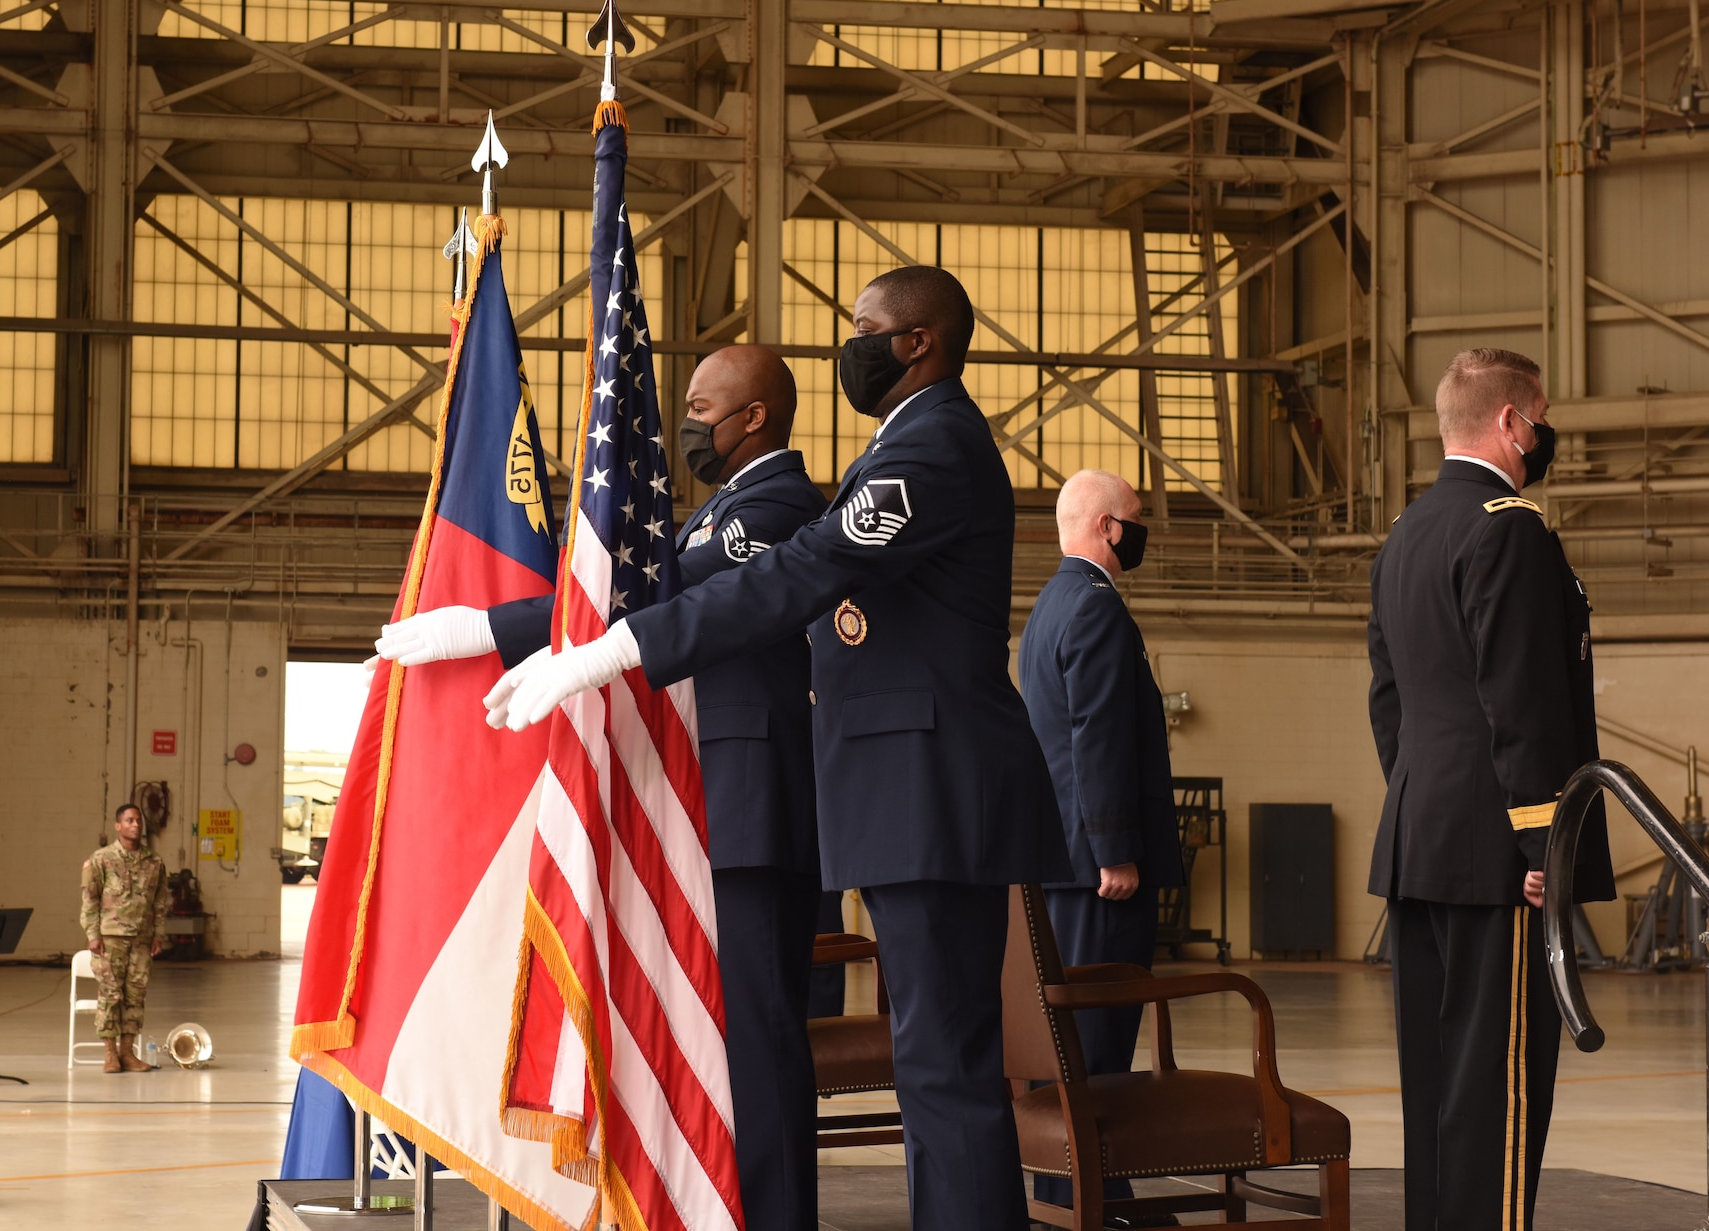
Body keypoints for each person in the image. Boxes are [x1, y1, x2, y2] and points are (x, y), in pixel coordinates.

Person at [488, 265, 1071, 1231]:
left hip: (931, 788)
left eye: (864, 325)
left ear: (917, 341)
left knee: (944, 1065)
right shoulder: (905, 445)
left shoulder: (931, 448)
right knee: (934, 1062)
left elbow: (807, 568)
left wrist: (613, 651)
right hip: (903, 792)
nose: (851, 341)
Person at [378, 345, 830, 1231]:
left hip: (752, 807)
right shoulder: (722, 506)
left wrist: (492, 628)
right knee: (722, 1041)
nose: (689, 420)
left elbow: (669, 593)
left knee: (762, 1044)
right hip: (709, 806)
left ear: (757, 418)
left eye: (705, 405)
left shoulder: (781, 505)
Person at [1366, 347, 1613, 1231]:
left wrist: (1425, 804)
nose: (1545, 430)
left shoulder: (1407, 531)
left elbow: (1389, 699)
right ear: (1511, 422)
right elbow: (1525, 705)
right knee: (1498, 1091)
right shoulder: (1508, 525)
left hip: (1423, 843)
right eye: (1540, 413)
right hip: (1499, 860)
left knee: (1436, 1083)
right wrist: (1544, 843)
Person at [1018, 468, 1184, 1219]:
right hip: (1099, 872)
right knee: (1098, 1046)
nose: (1141, 529)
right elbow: (1101, 738)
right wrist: (1116, 848)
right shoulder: (1096, 609)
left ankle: (1075, 1193)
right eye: (1137, 518)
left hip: (1063, 863)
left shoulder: (1050, 608)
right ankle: (1097, 1198)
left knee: (1069, 1048)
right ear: (1108, 527)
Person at [81, 802, 172, 1074]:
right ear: (118, 826)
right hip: (110, 939)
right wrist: (92, 934)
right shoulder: (101, 859)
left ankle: (127, 1052)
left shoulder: (154, 862)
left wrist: (158, 934)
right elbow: (89, 899)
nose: (135, 825)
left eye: (138, 821)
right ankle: (110, 1053)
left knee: (135, 996)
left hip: (141, 940)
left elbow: (159, 902)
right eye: (129, 820)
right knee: (110, 995)